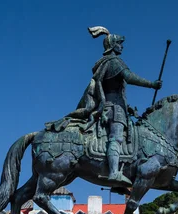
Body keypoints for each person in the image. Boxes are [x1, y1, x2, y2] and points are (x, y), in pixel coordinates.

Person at [66, 26, 162, 187]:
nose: (122, 46)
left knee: (125, 139)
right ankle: (113, 172)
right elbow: (129, 77)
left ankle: (123, 172)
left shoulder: (105, 63)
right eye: (119, 43)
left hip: (116, 106)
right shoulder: (114, 62)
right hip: (114, 109)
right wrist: (151, 84)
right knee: (116, 138)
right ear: (113, 45)